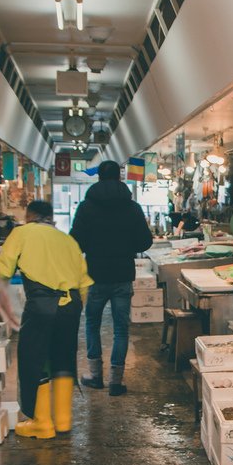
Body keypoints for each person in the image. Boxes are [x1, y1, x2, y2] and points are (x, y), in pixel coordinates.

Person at [0, 201, 92, 439]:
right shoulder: (67, 239)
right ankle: (64, 422)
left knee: (34, 359)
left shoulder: (22, 232)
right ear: (50, 217)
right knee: (63, 359)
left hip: (41, 304)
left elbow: (2, 269)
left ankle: (43, 424)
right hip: (72, 305)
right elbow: (84, 284)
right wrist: (72, 309)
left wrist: (6, 308)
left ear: (29, 216)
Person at [70, 160, 154, 396]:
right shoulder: (132, 207)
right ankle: (115, 382)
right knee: (120, 328)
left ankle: (96, 377)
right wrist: (127, 245)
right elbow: (145, 242)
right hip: (122, 276)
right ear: (119, 177)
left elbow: (76, 241)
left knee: (92, 324)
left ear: (99, 177)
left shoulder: (86, 207)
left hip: (95, 275)